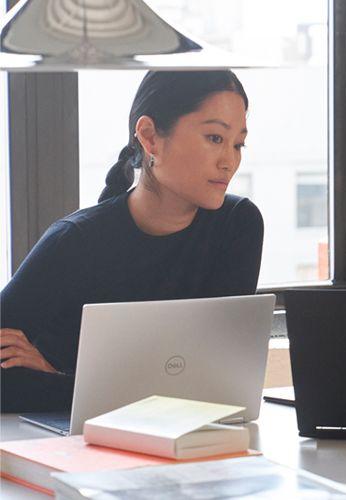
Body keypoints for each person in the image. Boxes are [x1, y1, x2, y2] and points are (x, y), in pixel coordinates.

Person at [1, 70, 264, 413]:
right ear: (150, 137)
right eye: (215, 138)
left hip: (188, 436)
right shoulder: (74, 242)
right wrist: (79, 392)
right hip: (70, 444)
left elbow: (217, 382)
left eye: (238, 144)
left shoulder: (238, 225)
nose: (230, 161)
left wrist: (67, 384)